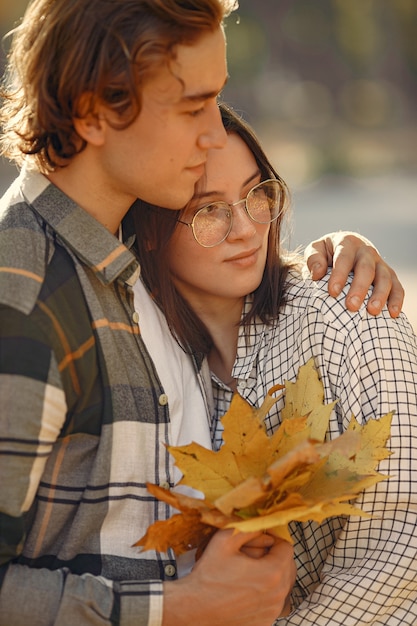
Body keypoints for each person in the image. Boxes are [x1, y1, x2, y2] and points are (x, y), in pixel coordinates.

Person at [0, 0, 407, 624]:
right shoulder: (25, 298)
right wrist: (180, 608)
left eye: (217, 100)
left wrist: (333, 255)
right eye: (192, 105)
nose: (215, 132)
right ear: (92, 110)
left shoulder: (124, 283)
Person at [132, 102, 417, 625]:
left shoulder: (349, 311)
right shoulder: (157, 365)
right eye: (209, 210)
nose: (245, 228)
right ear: (150, 229)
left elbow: (403, 545)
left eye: (254, 195)